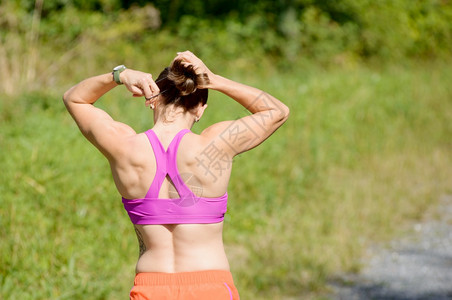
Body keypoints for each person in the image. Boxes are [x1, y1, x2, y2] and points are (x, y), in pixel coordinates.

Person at [63, 51, 289, 300]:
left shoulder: (123, 147)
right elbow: (277, 111)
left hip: (151, 289)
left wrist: (121, 75)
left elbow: (75, 99)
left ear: (152, 99)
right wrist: (213, 79)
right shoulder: (213, 145)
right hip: (210, 288)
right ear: (200, 109)